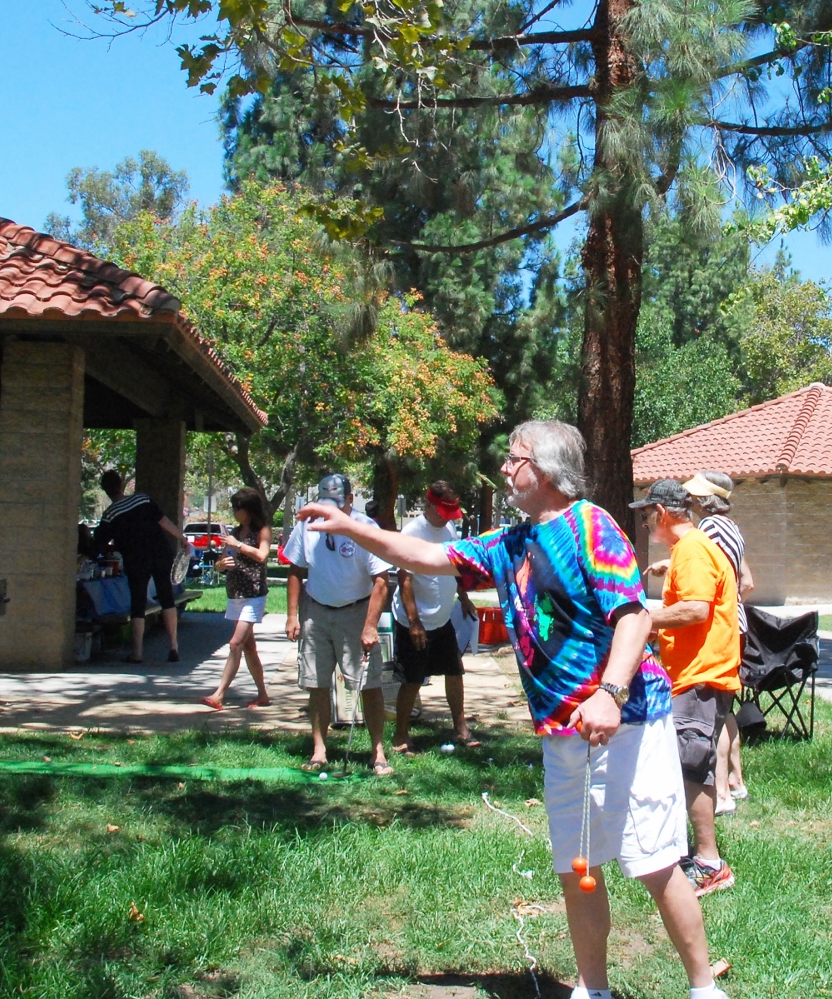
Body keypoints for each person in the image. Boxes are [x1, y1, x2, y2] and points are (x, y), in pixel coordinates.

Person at [293, 421, 728, 999]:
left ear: (543, 470)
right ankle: (592, 989)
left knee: (652, 862)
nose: (503, 468)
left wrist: (610, 693)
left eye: (513, 458)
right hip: (563, 731)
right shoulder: (511, 543)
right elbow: (425, 555)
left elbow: (633, 618)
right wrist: (354, 528)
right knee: (579, 868)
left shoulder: (590, 526)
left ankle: (702, 989)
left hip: (627, 721)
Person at [633, 478, 741, 897]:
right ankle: (690, 853)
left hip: (701, 675)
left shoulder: (693, 549)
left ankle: (711, 863)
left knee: (691, 767)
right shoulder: (687, 550)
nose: (644, 523)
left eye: (646, 514)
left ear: (661, 513)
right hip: (693, 675)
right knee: (689, 763)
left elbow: (696, 610)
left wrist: (642, 619)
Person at [284, 474, 394, 775]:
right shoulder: (308, 525)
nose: (329, 508)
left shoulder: (365, 529)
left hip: (355, 612)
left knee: (368, 684)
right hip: (316, 611)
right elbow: (296, 568)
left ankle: (378, 752)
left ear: (350, 498)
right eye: (325, 502)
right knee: (315, 682)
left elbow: (381, 581)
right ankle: (319, 749)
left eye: (336, 502)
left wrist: (370, 626)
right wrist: (292, 614)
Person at [684, 471, 754, 815]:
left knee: (712, 711)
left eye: (695, 497)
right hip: (735, 624)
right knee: (723, 710)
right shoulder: (732, 528)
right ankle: (734, 782)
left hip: (721, 626)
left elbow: (715, 577)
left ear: (704, 501)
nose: (690, 503)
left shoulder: (709, 530)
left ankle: (722, 792)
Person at [391, 481, 479, 752]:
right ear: (428, 505)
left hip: (442, 619)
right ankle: (400, 735)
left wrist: (464, 599)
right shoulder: (412, 532)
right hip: (413, 621)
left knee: (454, 671)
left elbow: (455, 567)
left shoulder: (449, 528)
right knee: (413, 678)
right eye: (443, 511)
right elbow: (404, 579)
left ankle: (460, 728)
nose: (447, 518)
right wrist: (414, 621)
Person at [91, 470, 185, 663]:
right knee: (167, 597)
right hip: (160, 552)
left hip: (136, 559)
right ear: (122, 485)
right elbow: (163, 520)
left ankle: (137, 653)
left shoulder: (111, 514)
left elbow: (98, 543)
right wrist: (181, 538)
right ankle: (174, 646)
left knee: (138, 604)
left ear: (106, 490)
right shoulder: (143, 499)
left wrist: (82, 558)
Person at [202, 488, 273, 711]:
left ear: (247, 510)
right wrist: (221, 565)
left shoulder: (263, 530)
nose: (234, 512)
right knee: (249, 647)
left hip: (254, 595)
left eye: (237, 508)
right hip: (235, 594)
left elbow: (262, 555)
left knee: (235, 643)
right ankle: (262, 694)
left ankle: (219, 694)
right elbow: (222, 561)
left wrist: (239, 545)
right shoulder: (234, 532)